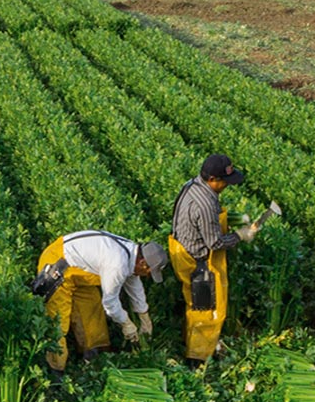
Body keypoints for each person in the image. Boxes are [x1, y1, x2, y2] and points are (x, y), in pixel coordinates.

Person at [32, 230, 168, 372]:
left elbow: (134, 282)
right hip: (57, 266)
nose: (147, 276)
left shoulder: (132, 252)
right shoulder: (117, 264)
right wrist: (125, 323)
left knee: (92, 311)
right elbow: (110, 303)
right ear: (142, 262)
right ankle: (55, 371)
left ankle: (93, 357)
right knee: (58, 324)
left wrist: (143, 314)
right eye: (149, 272)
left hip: (77, 271)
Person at [169, 153, 258, 363]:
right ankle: (197, 359)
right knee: (206, 308)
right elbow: (215, 243)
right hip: (197, 260)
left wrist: (235, 219)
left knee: (194, 304)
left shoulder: (193, 185)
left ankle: (191, 343)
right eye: (224, 182)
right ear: (212, 180)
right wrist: (240, 235)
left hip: (182, 249)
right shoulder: (205, 205)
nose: (226, 185)